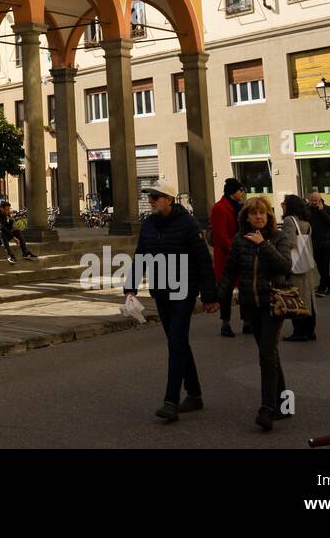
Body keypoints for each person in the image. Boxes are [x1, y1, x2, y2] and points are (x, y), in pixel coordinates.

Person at [124, 180, 218, 423]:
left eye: (156, 196)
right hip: (161, 291)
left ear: (169, 199)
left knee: (176, 342)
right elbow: (140, 256)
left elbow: (203, 261)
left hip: (183, 291)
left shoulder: (187, 224)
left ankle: (171, 401)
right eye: (149, 196)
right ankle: (195, 394)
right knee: (178, 343)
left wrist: (209, 296)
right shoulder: (148, 225)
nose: (151, 200)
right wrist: (130, 289)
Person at [217, 196, 294, 431]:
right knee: (268, 352)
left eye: (262, 213)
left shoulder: (278, 237)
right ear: (247, 217)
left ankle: (267, 408)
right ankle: (284, 402)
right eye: (254, 214)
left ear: (269, 216)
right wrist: (220, 298)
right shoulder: (240, 240)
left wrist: (263, 244)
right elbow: (230, 271)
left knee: (266, 355)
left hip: (272, 303)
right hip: (250, 304)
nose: (258, 217)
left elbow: (285, 266)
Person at [209, 178, 245, 337]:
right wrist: (236, 250)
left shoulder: (240, 207)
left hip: (240, 253)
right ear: (233, 191)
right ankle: (226, 323)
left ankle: (247, 321)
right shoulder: (219, 208)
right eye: (240, 190)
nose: (242, 193)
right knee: (226, 291)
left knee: (245, 289)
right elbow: (221, 236)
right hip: (226, 257)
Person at [281, 195, 320, 342]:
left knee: (297, 298)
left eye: (283, 203)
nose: (282, 206)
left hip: (295, 265)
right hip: (307, 263)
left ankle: (299, 332)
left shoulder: (289, 221)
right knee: (309, 299)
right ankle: (310, 331)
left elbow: (289, 243)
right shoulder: (306, 223)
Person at [0, 197, 35, 264]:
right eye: (7, 210)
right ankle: (10, 255)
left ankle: (25, 253)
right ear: (1, 209)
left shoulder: (4, 215)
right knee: (2, 232)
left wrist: (10, 220)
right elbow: (1, 227)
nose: (8, 211)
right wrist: (13, 237)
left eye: (9, 209)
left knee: (17, 231)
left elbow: (8, 229)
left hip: (0, 238)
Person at [306, 192, 330, 295]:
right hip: (313, 243)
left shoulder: (328, 209)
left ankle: (322, 287)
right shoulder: (308, 210)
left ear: (320, 200)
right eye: (312, 200)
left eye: (316, 200)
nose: (314, 202)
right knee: (320, 267)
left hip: (325, 243)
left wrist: (322, 211)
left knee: (324, 267)